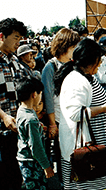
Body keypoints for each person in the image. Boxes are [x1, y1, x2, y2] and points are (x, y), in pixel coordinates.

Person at [54, 38, 106, 189]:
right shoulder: (77, 81)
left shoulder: (85, 77)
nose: (100, 64)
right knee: (88, 184)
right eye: (99, 60)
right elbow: (75, 114)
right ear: (90, 60)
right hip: (88, 148)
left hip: (97, 144)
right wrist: (104, 109)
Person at [41, 28, 80, 183]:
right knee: (62, 154)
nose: (76, 50)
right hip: (58, 119)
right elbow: (49, 98)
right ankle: (65, 183)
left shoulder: (74, 64)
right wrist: (52, 124)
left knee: (74, 154)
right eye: (73, 47)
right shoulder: (50, 67)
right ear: (65, 46)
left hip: (73, 117)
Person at [0, 17, 27, 190]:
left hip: (16, 130)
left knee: (15, 176)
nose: (19, 42)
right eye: (16, 37)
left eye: (20, 38)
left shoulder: (15, 61)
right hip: (2, 131)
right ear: (2, 36)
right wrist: (3, 116)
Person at [16, 76, 54, 189]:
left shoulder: (21, 110)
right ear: (34, 94)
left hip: (25, 159)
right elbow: (36, 147)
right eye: (40, 93)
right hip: (32, 162)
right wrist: (46, 166)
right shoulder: (30, 119)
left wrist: (40, 128)